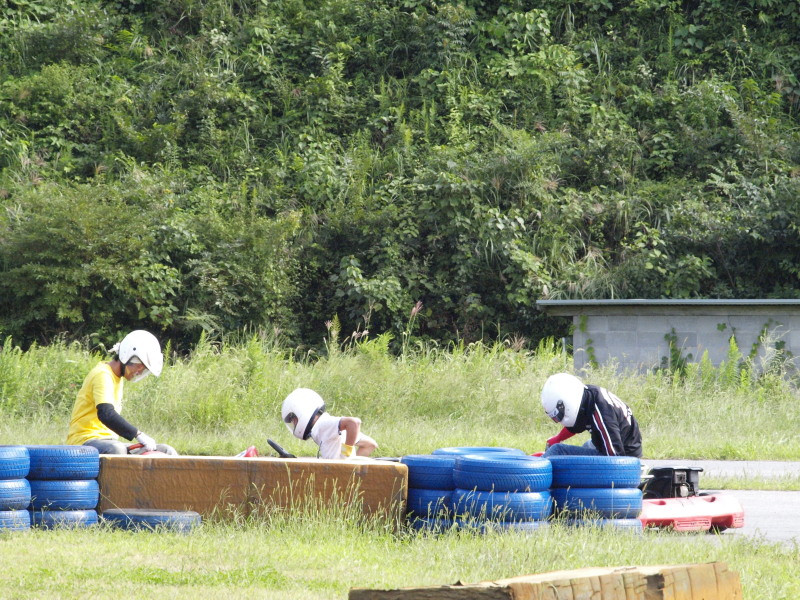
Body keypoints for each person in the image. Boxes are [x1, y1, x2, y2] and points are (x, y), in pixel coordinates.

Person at [67, 330, 177, 455]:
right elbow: (106, 414)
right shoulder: (102, 374)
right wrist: (138, 434)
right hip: (84, 441)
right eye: (139, 366)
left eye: (143, 369)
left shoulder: (117, 377)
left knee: (166, 450)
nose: (139, 372)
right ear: (126, 357)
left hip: (110, 442)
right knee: (117, 449)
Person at [540, 372, 642, 458]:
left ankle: (535, 472)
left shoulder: (602, 415)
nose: (558, 421)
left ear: (566, 404)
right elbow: (577, 424)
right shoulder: (587, 396)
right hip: (622, 444)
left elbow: (614, 456)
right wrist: (558, 438)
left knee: (558, 451)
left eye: (557, 417)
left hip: (625, 457)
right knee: (587, 445)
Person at [281, 388, 377, 459]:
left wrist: (346, 454)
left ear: (301, 411)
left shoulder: (323, 425)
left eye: (293, 419)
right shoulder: (325, 428)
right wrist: (353, 467)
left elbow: (354, 423)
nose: (293, 423)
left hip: (337, 476)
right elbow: (370, 445)